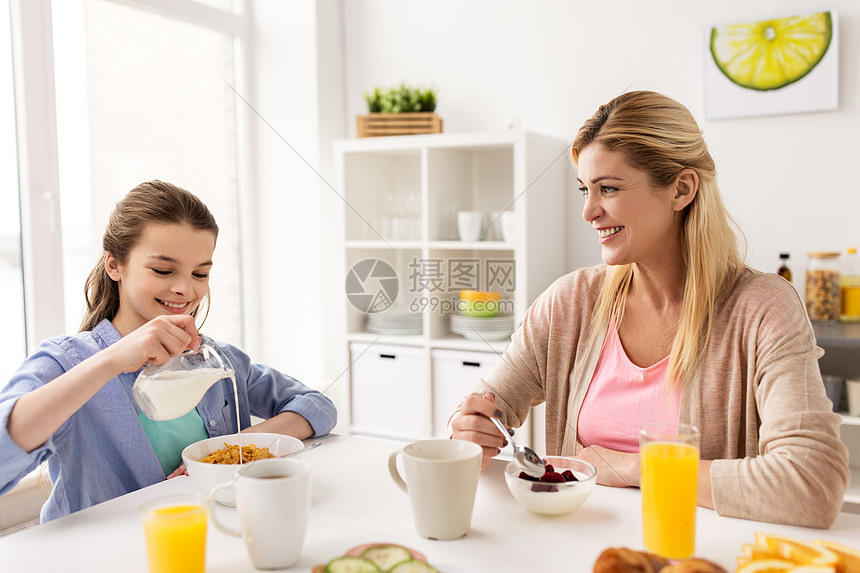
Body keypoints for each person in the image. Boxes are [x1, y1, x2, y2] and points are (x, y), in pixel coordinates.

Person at [451, 91, 849, 528]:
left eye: (609, 189)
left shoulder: (761, 308)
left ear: (681, 189)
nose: (588, 210)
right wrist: (469, 427)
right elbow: (488, 406)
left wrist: (636, 466)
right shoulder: (569, 303)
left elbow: (813, 483)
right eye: (585, 189)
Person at [0, 180, 337, 522]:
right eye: (163, 270)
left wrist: (242, 445)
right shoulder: (67, 361)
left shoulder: (216, 360)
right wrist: (112, 360)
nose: (184, 289)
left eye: (200, 273)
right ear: (114, 265)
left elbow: (316, 405)